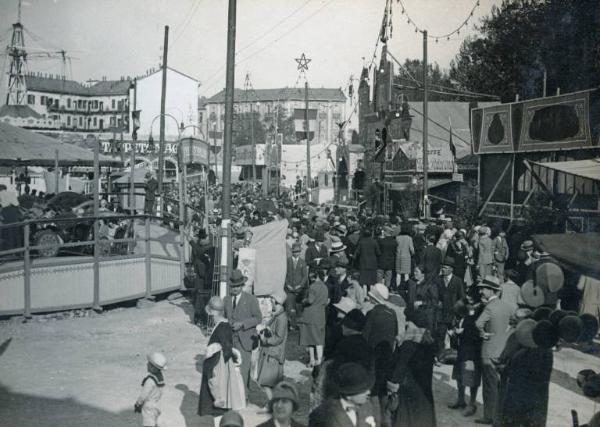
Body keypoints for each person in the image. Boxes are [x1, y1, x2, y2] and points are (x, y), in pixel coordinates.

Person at [474, 275, 514, 425]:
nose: (481, 292)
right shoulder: (506, 306)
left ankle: (489, 416)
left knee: (489, 387)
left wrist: (483, 333)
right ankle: (499, 415)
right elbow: (514, 322)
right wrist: (504, 335)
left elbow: (478, 323)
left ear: (492, 291)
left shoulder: (489, 307)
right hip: (503, 350)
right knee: (500, 385)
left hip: (489, 350)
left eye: (484, 289)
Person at [198, 296, 246, 417]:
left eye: (211, 313)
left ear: (214, 312)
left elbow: (225, 350)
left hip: (218, 371)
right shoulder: (224, 325)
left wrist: (210, 368)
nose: (210, 316)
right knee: (221, 408)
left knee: (218, 409)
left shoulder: (221, 327)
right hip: (222, 369)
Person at [387, 314, 437, 427]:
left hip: (408, 386)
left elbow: (401, 365)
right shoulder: (429, 342)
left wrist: (393, 383)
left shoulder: (409, 343)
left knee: (407, 418)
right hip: (424, 386)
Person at [224, 269, 262, 394]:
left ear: (242, 286)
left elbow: (258, 318)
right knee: (231, 369)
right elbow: (224, 317)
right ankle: (233, 395)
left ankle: (243, 395)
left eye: (237, 286)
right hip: (230, 339)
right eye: (233, 287)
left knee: (243, 369)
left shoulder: (251, 299)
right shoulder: (226, 300)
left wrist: (243, 324)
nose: (234, 289)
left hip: (245, 339)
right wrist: (228, 323)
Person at [309, 362, 378, 427]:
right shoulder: (324, 414)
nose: (368, 392)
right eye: (363, 391)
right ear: (348, 395)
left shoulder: (368, 406)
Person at [448, 300, 482, 418]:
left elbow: (475, 335)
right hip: (462, 352)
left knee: (471, 379)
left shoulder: (473, 320)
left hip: (471, 354)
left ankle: (471, 404)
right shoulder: (461, 319)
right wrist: (455, 333)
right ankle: (461, 399)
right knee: (459, 377)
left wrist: (462, 332)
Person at [257, 295, 289, 401]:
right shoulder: (277, 315)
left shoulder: (282, 318)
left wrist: (265, 340)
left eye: (274, 302)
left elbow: (279, 338)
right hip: (270, 352)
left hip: (273, 354)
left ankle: (271, 405)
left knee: (266, 382)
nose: (272, 304)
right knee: (271, 383)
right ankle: (272, 404)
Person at [298, 269, 329, 368]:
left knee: (309, 339)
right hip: (320, 315)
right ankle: (319, 360)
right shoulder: (325, 286)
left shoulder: (313, 287)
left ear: (313, 276)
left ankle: (312, 360)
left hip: (310, 316)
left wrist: (303, 301)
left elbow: (310, 301)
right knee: (319, 339)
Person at [435, 256, 465, 356]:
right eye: (442, 267)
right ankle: (439, 356)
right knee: (440, 335)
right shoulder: (437, 280)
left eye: (446, 268)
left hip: (453, 315)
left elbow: (462, 298)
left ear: (451, 269)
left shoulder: (457, 281)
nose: (443, 269)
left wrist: (459, 314)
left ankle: (453, 356)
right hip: (441, 314)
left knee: (454, 336)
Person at [134, 352, 166, 427]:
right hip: (157, 404)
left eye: (149, 364)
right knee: (153, 422)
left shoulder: (150, 381)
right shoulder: (160, 378)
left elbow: (144, 395)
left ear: (153, 368)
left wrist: (138, 403)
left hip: (149, 406)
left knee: (148, 424)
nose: (147, 365)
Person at [285, 242, 309, 330]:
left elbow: (305, 276)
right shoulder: (287, 261)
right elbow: (284, 274)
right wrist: (287, 284)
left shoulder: (303, 262)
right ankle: (291, 324)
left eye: (298, 251)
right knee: (290, 307)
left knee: (298, 307)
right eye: (295, 252)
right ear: (292, 251)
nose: (296, 253)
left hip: (299, 289)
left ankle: (297, 324)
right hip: (289, 289)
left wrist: (300, 285)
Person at [395, 224, 415, 291]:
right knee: (406, 273)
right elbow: (411, 249)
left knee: (398, 273)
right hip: (406, 257)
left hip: (398, 256)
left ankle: (398, 288)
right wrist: (413, 254)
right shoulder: (409, 238)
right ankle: (407, 288)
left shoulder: (397, 238)